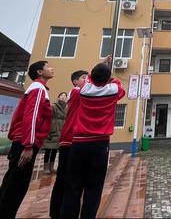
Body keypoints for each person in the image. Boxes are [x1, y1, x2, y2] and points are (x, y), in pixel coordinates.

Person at [60, 61, 125, 219]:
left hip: (79, 143)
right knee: (94, 188)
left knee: (72, 187)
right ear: (107, 78)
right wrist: (109, 73)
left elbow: (87, 79)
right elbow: (118, 84)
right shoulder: (114, 90)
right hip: (100, 144)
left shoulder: (83, 90)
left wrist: (100, 67)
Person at [0, 61, 54, 219]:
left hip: (24, 142)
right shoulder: (38, 89)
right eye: (47, 66)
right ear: (39, 72)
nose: (51, 68)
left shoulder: (39, 88)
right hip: (25, 143)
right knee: (15, 187)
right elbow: (31, 116)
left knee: (13, 184)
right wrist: (29, 145)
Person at [49, 69, 88, 219]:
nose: (87, 80)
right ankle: (56, 212)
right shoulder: (76, 91)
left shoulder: (83, 93)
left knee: (73, 180)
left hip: (77, 141)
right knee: (63, 179)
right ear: (75, 82)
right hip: (68, 141)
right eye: (83, 78)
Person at [43, 92, 68, 173]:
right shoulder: (53, 106)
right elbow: (48, 118)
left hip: (61, 129)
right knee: (48, 150)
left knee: (54, 150)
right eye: (61, 96)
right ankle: (46, 167)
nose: (63, 97)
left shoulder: (67, 107)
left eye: (64, 96)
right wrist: (48, 129)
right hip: (53, 129)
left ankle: (51, 167)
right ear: (58, 97)